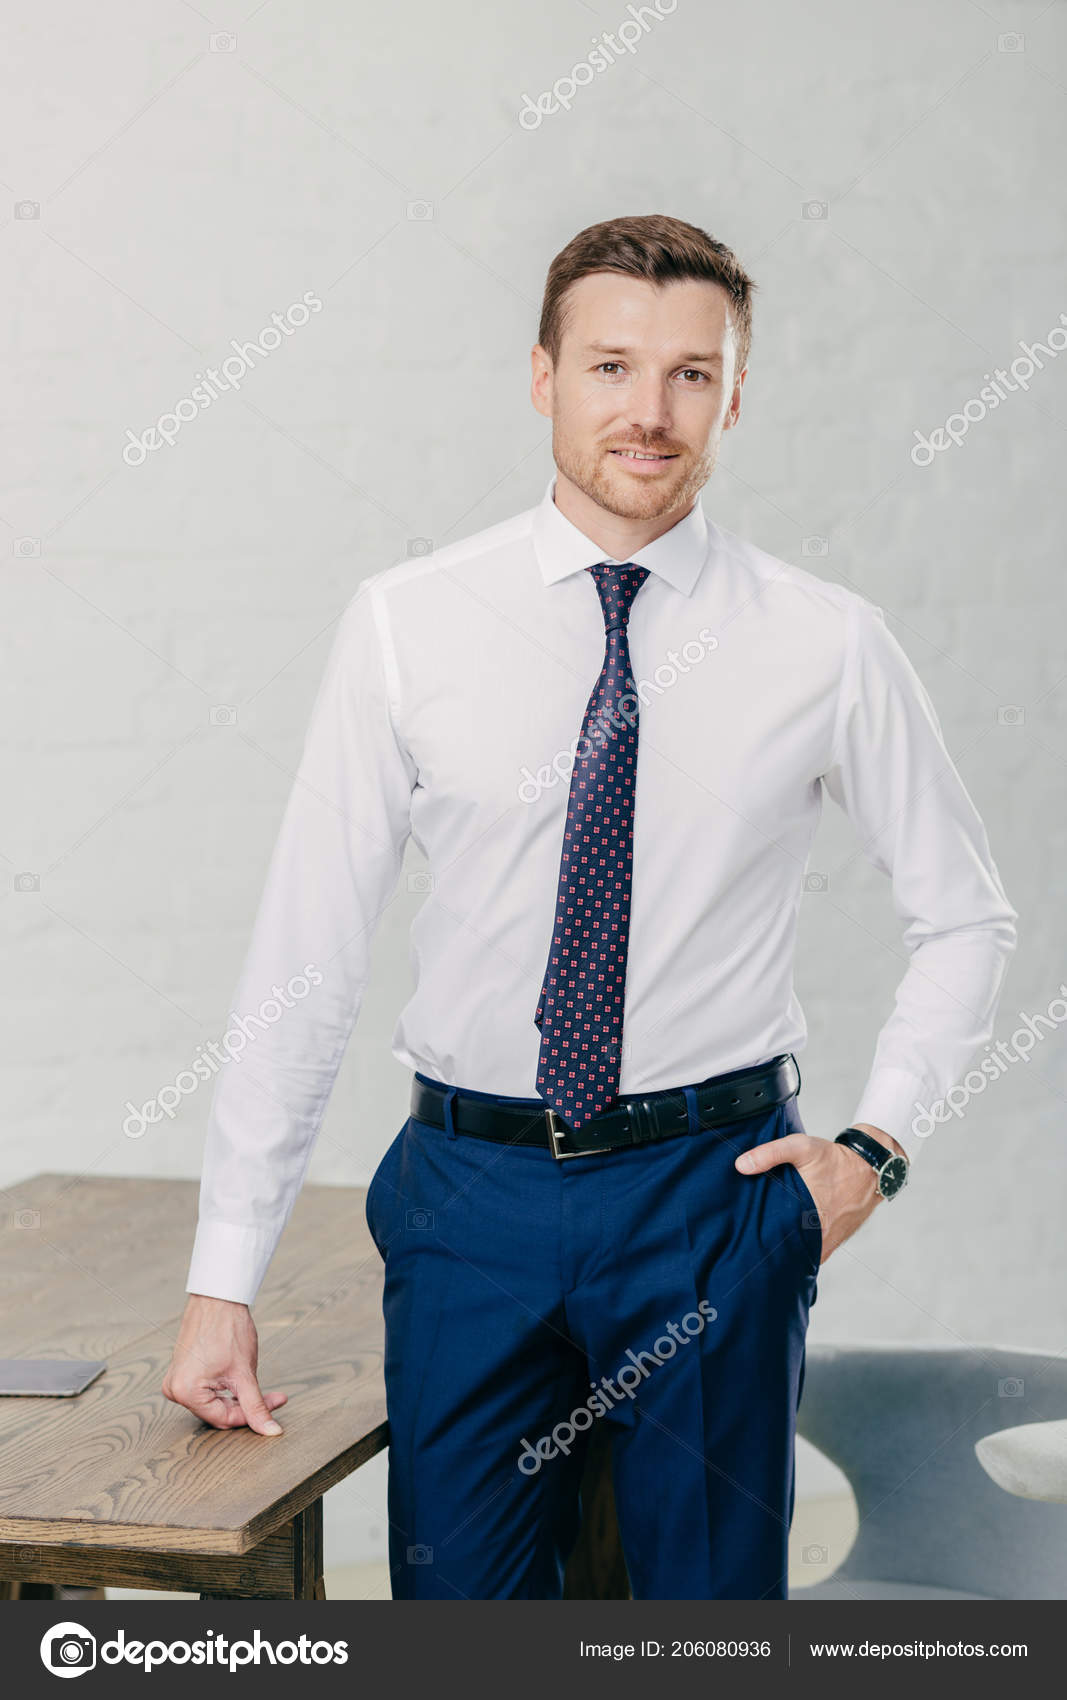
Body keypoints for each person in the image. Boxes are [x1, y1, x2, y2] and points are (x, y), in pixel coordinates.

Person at [162, 214, 1017, 1600]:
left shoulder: (825, 640)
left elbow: (967, 917)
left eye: (692, 374)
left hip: (712, 1199)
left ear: (735, 394)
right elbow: (306, 959)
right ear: (544, 375)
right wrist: (224, 1274)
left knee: (705, 1634)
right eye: (613, 366)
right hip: (467, 1204)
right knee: (462, 1630)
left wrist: (877, 1146)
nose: (651, 411)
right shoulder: (408, 622)